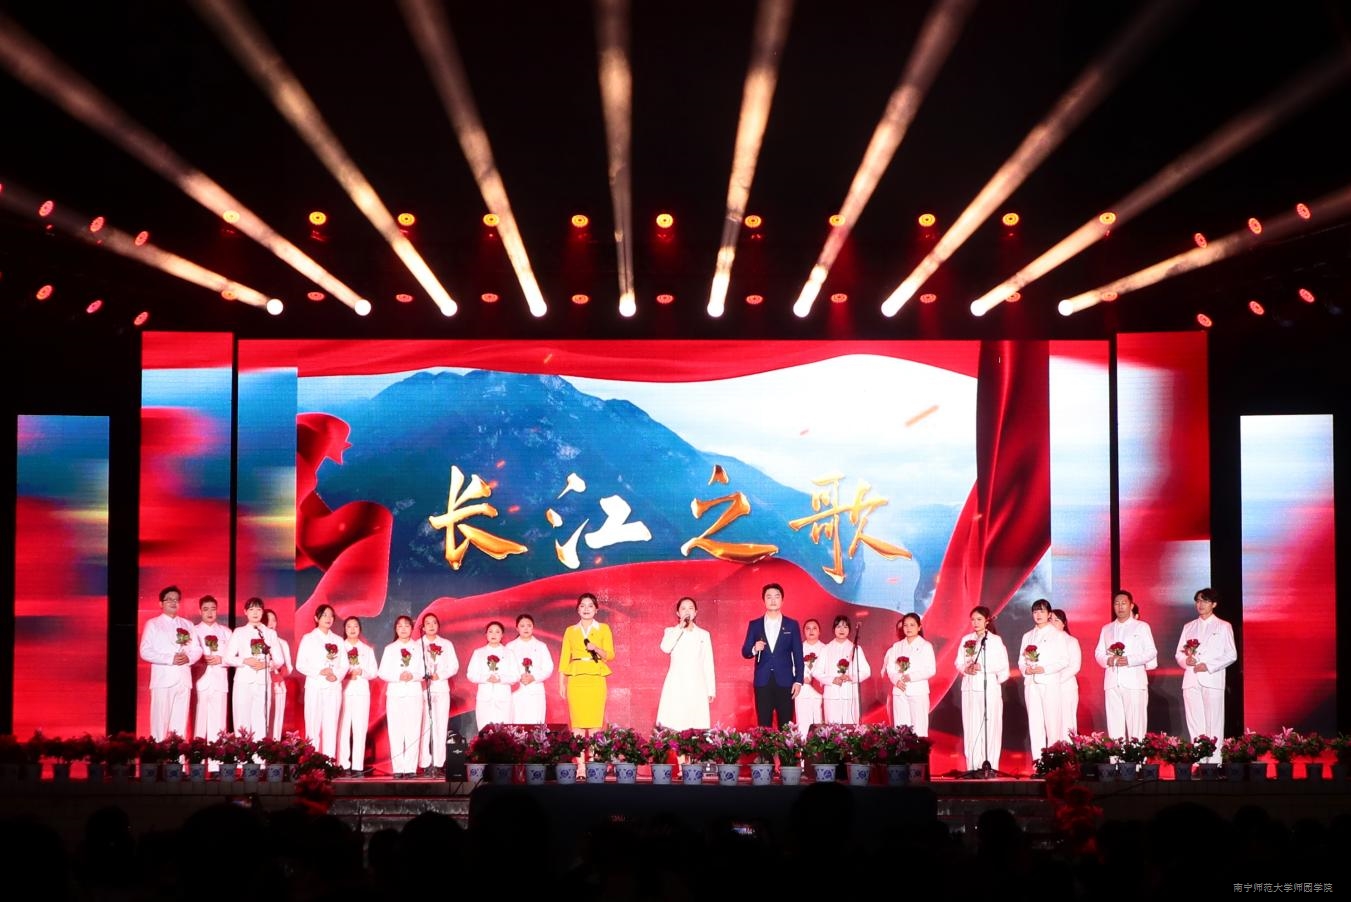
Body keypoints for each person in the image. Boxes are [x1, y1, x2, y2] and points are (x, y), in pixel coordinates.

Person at [1175, 587, 1237, 764]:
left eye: (1205, 601)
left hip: (1212, 679)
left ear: (1214, 604)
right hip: (1191, 679)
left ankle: (1214, 762)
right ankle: (1199, 761)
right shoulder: (1188, 626)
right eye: (1198, 601)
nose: (1200, 604)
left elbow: (1231, 654)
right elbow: (1179, 654)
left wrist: (1208, 666)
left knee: (1214, 722)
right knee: (1195, 722)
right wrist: (1186, 661)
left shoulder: (1223, 626)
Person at [138, 585, 202, 740]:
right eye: (169, 599)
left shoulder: (187, 624)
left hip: (183, 679)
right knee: (160, 722)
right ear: (161, 603)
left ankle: (177, 754)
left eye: (176, 600)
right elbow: (145, 651)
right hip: (163, 680)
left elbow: (197, 649)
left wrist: (189, 658)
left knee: (180, 723)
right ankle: (157, 753)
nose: (173, 602)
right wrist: (169, 659)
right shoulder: (153, 624)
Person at [1093, 589, 1157, 742]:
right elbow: (1098, 653)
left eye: (1124, 603)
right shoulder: (1107, 629)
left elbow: (1151, 652)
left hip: (1134, 681)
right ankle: (1116, 756)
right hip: (1112, 682)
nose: (1120, 606)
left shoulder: (1141, 626)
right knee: (1114, 724)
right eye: (1117, 603)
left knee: (1136, 724)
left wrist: (1129, 660)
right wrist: (1108, 660)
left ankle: (1136, 756)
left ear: (1131, 605)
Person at [740, 583, 804, 728]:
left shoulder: (791, 625)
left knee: (786, 726)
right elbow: (745, 651)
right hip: (763, 682)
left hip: (786, 682)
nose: (773, 600)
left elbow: (798, 655)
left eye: (777, 596)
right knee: (763, 726)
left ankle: (786, 744)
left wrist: (798, 681)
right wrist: (754, 649)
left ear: (782, 600)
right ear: (764, 600)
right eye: (769, 597)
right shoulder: (755, 625)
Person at [954, 606, 1009, 771]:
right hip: (970, 688)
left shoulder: (995, 640)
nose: (975, 623)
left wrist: (982, 666)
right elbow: (958, 662)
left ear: (987, 621)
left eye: (979, 619)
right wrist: (966, 668)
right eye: (973, 620)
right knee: (971, 727)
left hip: (988, 688)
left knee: (989, 727)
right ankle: (973, 766)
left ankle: (990, 765)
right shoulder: (966, 640)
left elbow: (1002, 666)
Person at [295, 603, 349, 758]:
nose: (328, 618)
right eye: (324, 615)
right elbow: (300, 664)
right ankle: (311, 761)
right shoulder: (308, 638)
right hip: (315, 686)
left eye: (331, 615)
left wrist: (336, 675)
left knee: (331, 725)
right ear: (316, 618)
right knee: (313, 725)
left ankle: (328, 762)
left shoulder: (338, 640)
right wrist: (319, 672)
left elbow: (344, 664)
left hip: (333, 687)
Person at [1017, 598, 1067, 758]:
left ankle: (1053, 762)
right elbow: (1021, 660)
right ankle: (1038, 762)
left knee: (1052, 725)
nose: (1038, 614)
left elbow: (1063, 661)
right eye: (1035, 611)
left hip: (1049, 683)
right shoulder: (1027, 636)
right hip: (1031, 684)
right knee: (1035, 725)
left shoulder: (1058, 635)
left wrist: (1044, 669)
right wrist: (1026, 669)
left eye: (1042, 611)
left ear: (1049, 614)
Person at [655, 597, 716, 729]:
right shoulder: (671, 631)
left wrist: (711, 689)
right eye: (683, 608)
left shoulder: (703, 634)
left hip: (697, 683)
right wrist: (680, 628)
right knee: (675, 719)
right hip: (676, 681)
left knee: (696, 721)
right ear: (678, 613)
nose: (687, 611)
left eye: (690, 608)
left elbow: (708, 662)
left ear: (696, 612)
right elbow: (665, 648)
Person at [225, 597, 281, 739]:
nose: (255, 613)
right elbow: (228, 657)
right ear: (245, 612)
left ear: (262, 612)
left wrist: (267, 664)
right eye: (251, 609)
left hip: (262, 681)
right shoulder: (239, 632)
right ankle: (241, 752)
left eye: (258, 609)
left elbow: (279, 660)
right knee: (242, 718)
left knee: (261, 718)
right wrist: (245, 661)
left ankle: (260, 752)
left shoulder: (269, 633)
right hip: (243, 681)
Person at [558, 593, 615, 734]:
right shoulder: (570, 631)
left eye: (590, 606)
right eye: (582, 606)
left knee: (595, 723)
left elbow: (610, 655)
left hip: (596, 679)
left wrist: (596, 648)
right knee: (577, 723)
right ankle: (579, 749)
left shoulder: (603, 628)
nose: (586, 609)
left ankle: (594, 750)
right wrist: (561, 684)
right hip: (576, 680)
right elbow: (564, 659)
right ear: (578, 609)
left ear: (596, 610)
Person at [379, 615, 426, 779]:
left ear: (412, 628)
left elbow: (425, 671)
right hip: (395, 693)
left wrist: (412, 675)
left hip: (413, 692)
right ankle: (398, 768)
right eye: (400, 626)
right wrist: (398, 676)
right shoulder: (390, 649)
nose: (403, 628)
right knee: (396, 730)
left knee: (413, 730)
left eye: (406, 625)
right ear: (396, 629)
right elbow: (382, 672)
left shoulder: (419, 648)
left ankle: (411, 768)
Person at [419, 613, 459, 778]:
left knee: (440, 726)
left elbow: (454, 666)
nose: (431, 626)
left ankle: (438, 763)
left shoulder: (446, 644)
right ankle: (424, 763)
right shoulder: (417, 645)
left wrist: (440, 675)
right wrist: (424, 674)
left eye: (434, 622)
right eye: (427, 623)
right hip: (423, 689)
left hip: (441, 688)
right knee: (424, 727)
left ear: (438, 625)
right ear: (422, 627)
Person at [882, 613, 936, 736]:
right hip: (899, 691)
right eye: (905, 625)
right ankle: (902, 749)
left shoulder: (926, 646)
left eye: (912, 625)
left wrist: (910, 677)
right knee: (901, 728)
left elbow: (930, 670)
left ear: (919, 627)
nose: (908, 628)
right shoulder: (897, 646)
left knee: (919, 728)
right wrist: (896, 680)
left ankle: (919, 749)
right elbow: (891, 669)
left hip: (918, 691)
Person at [338, 616, 378, 777]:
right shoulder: (339, 647)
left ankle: (357, 766)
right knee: (343, 729)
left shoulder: (367, 649)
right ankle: (343, 764)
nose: (352, 629)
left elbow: (374, 672)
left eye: (355, 626)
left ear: (360, 629)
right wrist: (346, 674)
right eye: (349, 626)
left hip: (361, 692)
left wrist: (362, 671)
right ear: (344, 629)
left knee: (360, 729)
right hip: (344, 691)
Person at [191, 595, 232, 742]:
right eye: (206, 609)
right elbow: (189, 655)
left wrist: (221, 660)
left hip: (220, 681)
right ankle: (197, 754)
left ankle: (217, 755)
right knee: (199, 719)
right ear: (200, 611)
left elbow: (235, 657)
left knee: (219, 721)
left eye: (213, 609)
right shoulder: (193, 630)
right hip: (200, 680)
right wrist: (201, 659)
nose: (210, 613)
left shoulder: (226, 632)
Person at [467, 621, 521, 730]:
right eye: (490, 631)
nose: (493, 634)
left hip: (503, 698)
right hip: (485, 698)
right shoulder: (478, 653)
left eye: (497, 632)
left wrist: (500, 679)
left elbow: (516, 676)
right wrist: (486, 678)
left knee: (504, 731)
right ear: (486, 634)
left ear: (502, 635)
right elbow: (471, 675)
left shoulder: (509, 653)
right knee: (485, 730)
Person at [820, 614, 870, 724]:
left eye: (845, 627)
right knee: (832, 729)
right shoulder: (826, 649)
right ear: (833, 629)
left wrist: (851, 677)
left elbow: (866, 671)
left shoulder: (856, 649)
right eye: (838, 626)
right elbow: (817, 672)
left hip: (850, 695)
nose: (842, 630)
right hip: (832, 695)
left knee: (851, 728)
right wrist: (832, 679)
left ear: (849, 630)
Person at [506, 614, 553, 725]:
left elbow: (548, 668)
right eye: (522, 626)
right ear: (517, 628)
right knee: (516, 724)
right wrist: (518, 677)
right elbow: (506, 668)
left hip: (535, 690)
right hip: (516, 691)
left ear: (533, 627)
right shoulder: (510, 647)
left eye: (529, 625)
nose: (526, 628)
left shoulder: (541, 646)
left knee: (536, 725)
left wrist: (534, 677)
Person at [262, 609, 293, 740]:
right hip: (261, 683)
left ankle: (275, 745)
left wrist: (281, 673)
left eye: (274, 620)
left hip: (277, 685)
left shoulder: (282, 643)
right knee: (261, 717)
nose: (271, 623)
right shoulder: (258, 641)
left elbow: (289, 667)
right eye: (268, 620)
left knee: (276, 717)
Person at [1050, 608, 1081, 739]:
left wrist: (1056, 679)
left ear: (1064, 623)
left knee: (1067, 720)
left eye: (1056, 620)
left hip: (1066, 686)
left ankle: (1068, 748)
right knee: (1053, 721)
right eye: (1050, 620)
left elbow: (1075, 666)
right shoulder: (1046, 642)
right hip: (1050, 688)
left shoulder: (1071, 641)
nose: (1053, 623)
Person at [794, 618, 827, 738]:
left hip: (820, 689)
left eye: (814, 628)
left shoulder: (826, 648)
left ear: (819, 631)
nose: (811, 631)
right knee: (802, 720)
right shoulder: (798, 648)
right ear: (804, 631)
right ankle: (802, 746)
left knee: (819, 719)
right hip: (802, 688)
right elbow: (792, 667)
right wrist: (801, 677)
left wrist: (817, 678)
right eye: (808, 628)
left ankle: (819, 746)